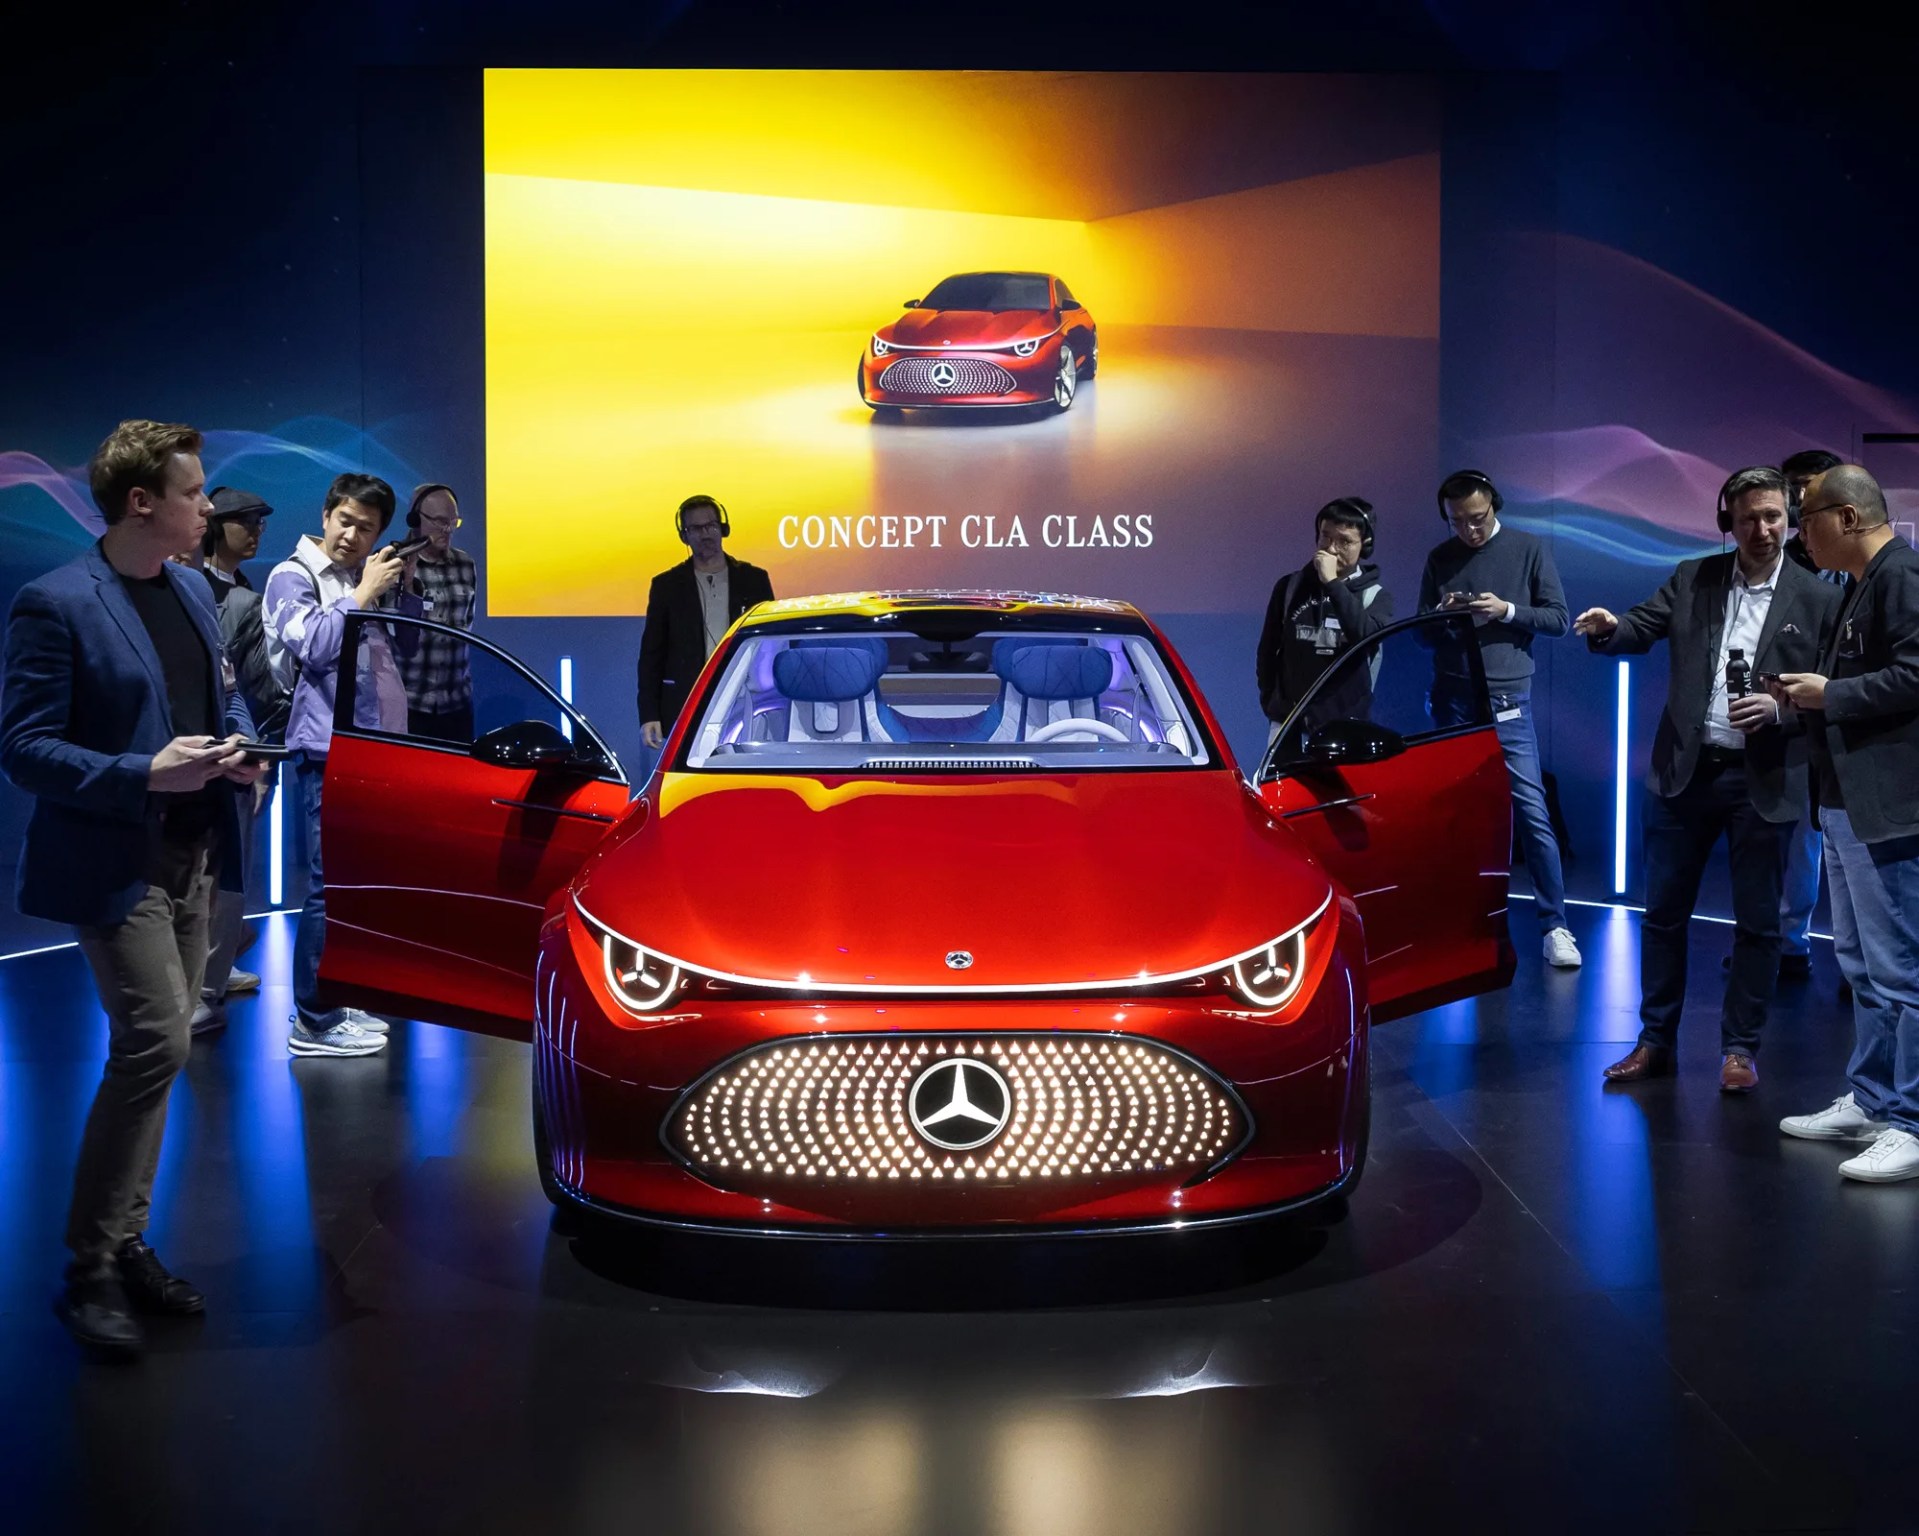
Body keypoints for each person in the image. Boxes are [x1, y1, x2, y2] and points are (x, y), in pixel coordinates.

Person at [0, 420, 268, 1353]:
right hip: (119, 858)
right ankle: (88, 1268)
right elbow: (23, 747)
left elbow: (221, 696)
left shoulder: (194, 591)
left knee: (164, 1051)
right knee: (155, 1040)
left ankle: (124, 1241)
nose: (210, 509)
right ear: (143, 502)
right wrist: (143, 772)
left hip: (198, 850)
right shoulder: (56, 602)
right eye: (195, 494)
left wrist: (235, 751)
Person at [1575, 467, 1840, 1091]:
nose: (1761, 529)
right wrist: (1611, 628)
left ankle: (1740, 1050)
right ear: (1729, 522)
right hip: (1683, 775)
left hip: (1765, 777)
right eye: (1748, 517)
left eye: (1773, 516)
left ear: (1790, 519)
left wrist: (1781, 710)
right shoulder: (1695, 576)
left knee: (1758, 923)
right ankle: (1655, 1041)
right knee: (1663, 914)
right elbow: (1640, 625)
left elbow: (1834, 695)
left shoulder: (1820, 599)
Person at [1776, 465, 1919, 1181]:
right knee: (1861, 964)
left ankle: (1910, 1120)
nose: (1802, 532)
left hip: (1885, 804)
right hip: (1841, 802)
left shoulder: (1901, 576)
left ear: (1850, 517)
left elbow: (1917, 675)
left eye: (1807, 518)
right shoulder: (1861, 585)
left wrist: (1831, 693)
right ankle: (1872, 1100)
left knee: (1900, 970)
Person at [263, 473, 422, 1058]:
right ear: (326, 513)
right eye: (346, 521)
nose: (353, 536)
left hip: (372, 749)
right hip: (326, 748)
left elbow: (407, 647)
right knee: (327, 887)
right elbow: (315, 646)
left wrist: (397, 590)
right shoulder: (293, 576)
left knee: (353, 886)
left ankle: (336, 996)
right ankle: (312, 1018)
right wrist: (361, 595)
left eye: (368, 528)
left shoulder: (364, 579)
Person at [1419, 469, 1581, 968]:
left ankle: (1555, 925)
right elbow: (1422, 634)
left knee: (1531, 811)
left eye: (1477, 518)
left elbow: (1557, 618)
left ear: (1495, 506)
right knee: (1453, 814)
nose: (1468, 530)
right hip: (1453, 697)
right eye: (1457, 522)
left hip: (1509, 695)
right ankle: (1458, 924)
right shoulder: (1440, 558)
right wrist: (1445, 617)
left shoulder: (1527, 548)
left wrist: (1507, 610)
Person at [191, 486, 286, 1034]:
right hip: (209, 752)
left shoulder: (241, 595)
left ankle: (216, 971)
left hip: (233, 748)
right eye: (244, 521)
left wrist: (261, 750)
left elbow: (248, 688)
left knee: (227, 871)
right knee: (216, 873)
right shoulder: (204, 593)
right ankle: (206, 981)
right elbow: (253, 685)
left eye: (259, 522)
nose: (254, 531)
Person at [637, 494, 775, 749]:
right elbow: (651, 655)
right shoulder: (667, 586)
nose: (705, 534)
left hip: (746, 701)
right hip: (688, 703)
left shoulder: (753, 580)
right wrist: (649, 715)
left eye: (711, 526)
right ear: (684, 536)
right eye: (696, 529)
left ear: (723, 529)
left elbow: (770, 646)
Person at [1256, 497, 1394, 740]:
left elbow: (1365, 639)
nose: (1331, 548)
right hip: (1288, 722)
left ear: (1365, 545)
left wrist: (1333, 583)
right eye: (1326, 537)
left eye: (1344, 541)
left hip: (1346, 725)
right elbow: (1267, 650)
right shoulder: (1289, 587)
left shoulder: (1376, 596)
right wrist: (1272, 702)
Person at [396, 482, 479, 741]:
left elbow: (466, 625)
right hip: (407, 706)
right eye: (441, 522)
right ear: (415, 519)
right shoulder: (392, 564)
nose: (448, 530)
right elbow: (392, 639)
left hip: (456, 707)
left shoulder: (465, 564)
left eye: (453, 522)